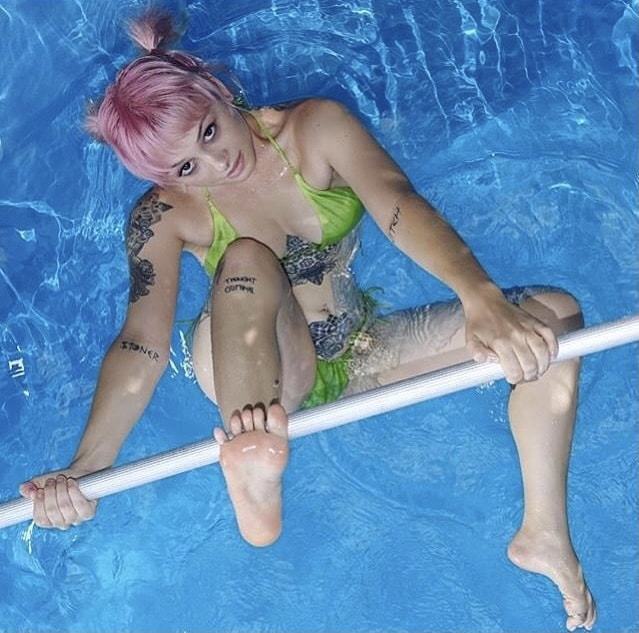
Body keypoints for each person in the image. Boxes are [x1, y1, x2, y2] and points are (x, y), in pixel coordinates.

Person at [18, 8, 595, 632]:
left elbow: (397, 203)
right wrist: (88, 464)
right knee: (246, 259)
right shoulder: (163, 216)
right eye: (185, 168)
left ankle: (544, 531)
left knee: (553, 318)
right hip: (263, 373)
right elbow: (142, 343)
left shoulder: (315, 128)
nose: (216, 163)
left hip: (357, 348)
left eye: (209, 131)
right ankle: (251, 464)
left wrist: (481, 298)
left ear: (216, 90)